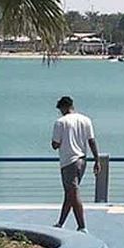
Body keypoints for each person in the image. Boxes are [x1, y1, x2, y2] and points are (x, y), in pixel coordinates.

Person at [51, 96, 100, 232]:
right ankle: (60, 223)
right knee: (69, 193)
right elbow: (91, 141)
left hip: (68, 161)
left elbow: (55, 144)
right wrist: (97, 160)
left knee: (73, 192)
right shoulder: (86, 120)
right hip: (82, 160)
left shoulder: (60, 122)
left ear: (64, 107)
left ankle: (82, 226)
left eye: (60, 109)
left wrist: (57, 143)